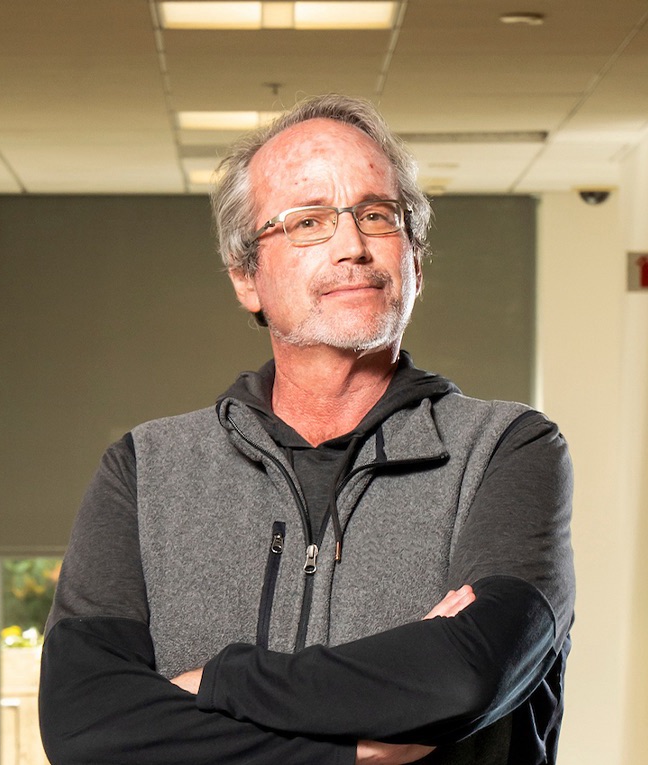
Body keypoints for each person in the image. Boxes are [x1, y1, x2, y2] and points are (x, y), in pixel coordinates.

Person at [39, 94, 574, 765]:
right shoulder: (145, 470)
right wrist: (355, 748)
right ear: (245, 276)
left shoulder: (508, 450)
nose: (352, 246)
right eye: (308, 221)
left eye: (378, 215)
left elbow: (463, 675)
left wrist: (219, 681)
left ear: (415, 258)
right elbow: (84, 727)